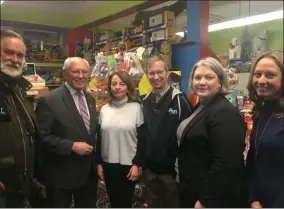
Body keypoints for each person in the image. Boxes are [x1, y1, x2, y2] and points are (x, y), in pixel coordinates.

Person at [177, 57, 248, 208]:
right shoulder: (203, 105)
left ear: (220, 81)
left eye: (209, 77)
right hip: (194, 188)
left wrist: (205, 200)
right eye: (197, 77)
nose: (202, 82)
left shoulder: (224, 112)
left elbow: (225, 162)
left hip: (212, 198)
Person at [35, 57, 98, 207]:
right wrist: (71, 146)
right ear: (65, 74)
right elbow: (42, 137)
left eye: (84, 72)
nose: (81, 76)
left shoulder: (90, 99)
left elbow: (90, 132)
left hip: (88, 174)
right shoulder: (49, 101)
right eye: (76, 71)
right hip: (61, 174)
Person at [142, 56, 192, 207]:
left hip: (171, 173)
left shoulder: (180, 100)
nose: (156, 77)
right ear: (146, 75)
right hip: (149, 170)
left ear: (167, 73)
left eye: (160, 72)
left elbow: (189, 137)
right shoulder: (144, 101)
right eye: (151, 73)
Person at [97, 70, 145, 208]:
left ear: (128, 87)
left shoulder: (136, 108)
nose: (117, 87)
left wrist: (137, 164)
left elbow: (142, 140)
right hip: (108, 164)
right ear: (110, 88)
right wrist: (98, 163)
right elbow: (99, 139)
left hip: (129, 165)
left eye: (122, 84)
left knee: (125, 202)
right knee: (113, 200)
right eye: (114, 84)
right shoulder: (105, 109)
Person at [0, 29, 38, 207]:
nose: (14, 59)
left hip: (21, 185)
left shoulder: (19, 90)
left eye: (19, 55)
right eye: (8, 52)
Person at [246, 49, 284, 208]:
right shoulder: (260, 112)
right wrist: (253, 199)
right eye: (257, 74)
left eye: (270, 75)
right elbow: (253, 160)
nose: (261, 80)